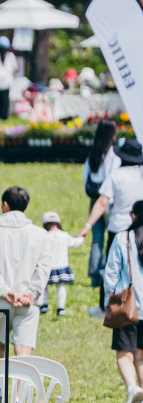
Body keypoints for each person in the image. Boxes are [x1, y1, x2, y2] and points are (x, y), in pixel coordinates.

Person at [0, 187, 50, 355]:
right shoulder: (40, 234)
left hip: (0, 300)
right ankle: (22, 383)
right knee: (23, 351)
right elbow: (43, 268)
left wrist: (6, 292)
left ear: (5, 205)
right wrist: (32, 292)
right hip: (28, 301)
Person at [84, 139, 143, 313]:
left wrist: (88, 225)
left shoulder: (116, 175)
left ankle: (107, 306)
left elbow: (102, 202)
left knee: (112, 267)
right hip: (141, 227)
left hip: (119, 227)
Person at [104, 200, 143, 403]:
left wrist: (108, 299)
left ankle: (132, 389)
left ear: (134, 216)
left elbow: (111, 272)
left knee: (124, 354)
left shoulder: (123, 238)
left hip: (129, 306)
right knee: (141, 357)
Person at [83, 119, 120, 313]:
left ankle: (94, 275)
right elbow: (112, 177)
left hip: (94, 199)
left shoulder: (94, 152)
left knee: (96, 239)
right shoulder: (113, 153)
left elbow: (85, 175)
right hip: (107, 200)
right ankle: (103, 272)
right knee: (109, 238)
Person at [39, 211, 84, 316]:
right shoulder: (64, 235)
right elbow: (74, 243)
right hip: (61, 266)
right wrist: (81, 238)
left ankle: (44, 305)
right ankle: (61, 307)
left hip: (47, 267)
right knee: (61, 287)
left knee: (43, 286)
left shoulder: (44, 236)